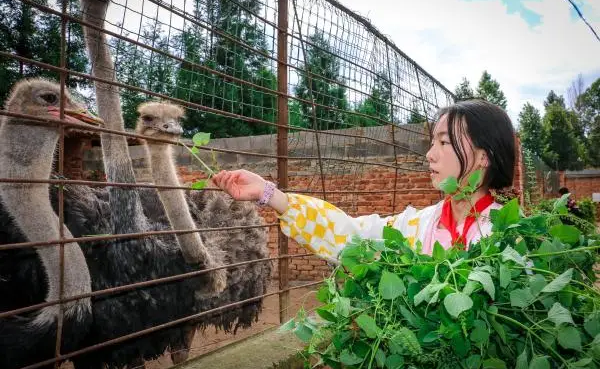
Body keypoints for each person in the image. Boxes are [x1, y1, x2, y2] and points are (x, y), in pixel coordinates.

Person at [212, 99, 516, 264]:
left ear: (484, 156)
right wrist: (270, 194)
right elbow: (349, 235)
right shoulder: (417, 226)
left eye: (444, 142)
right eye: (431, 142)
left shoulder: (511, 238)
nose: (430, 155)